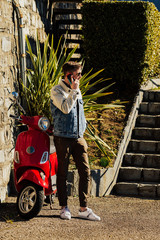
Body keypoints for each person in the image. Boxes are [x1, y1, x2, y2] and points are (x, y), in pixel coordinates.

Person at [50, 62, 101, 221]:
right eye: (78, 74)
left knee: (85, 172)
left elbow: (80, 112)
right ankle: (63, 207)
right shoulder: (56, 90)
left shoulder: (76, 90)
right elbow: (65, 108)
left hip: (78, 137)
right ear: (69, 75)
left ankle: (83, 208)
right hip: (62, 138)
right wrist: (73, 90)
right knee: (63, 172)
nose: (80, 77)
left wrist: (83, 128)